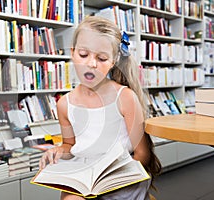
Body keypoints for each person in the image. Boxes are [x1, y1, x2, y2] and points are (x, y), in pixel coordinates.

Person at [39, 16, 161, 200]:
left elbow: (142, 154)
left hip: (122, 181)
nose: (91, 63)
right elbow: (69, 145)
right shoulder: (64, 104)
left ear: (113, 61)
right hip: (85, 176)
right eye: (83, 54)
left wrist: (111, 179)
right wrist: (57, 151)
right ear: (73, 53)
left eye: (102, 58)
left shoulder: (125, 97)